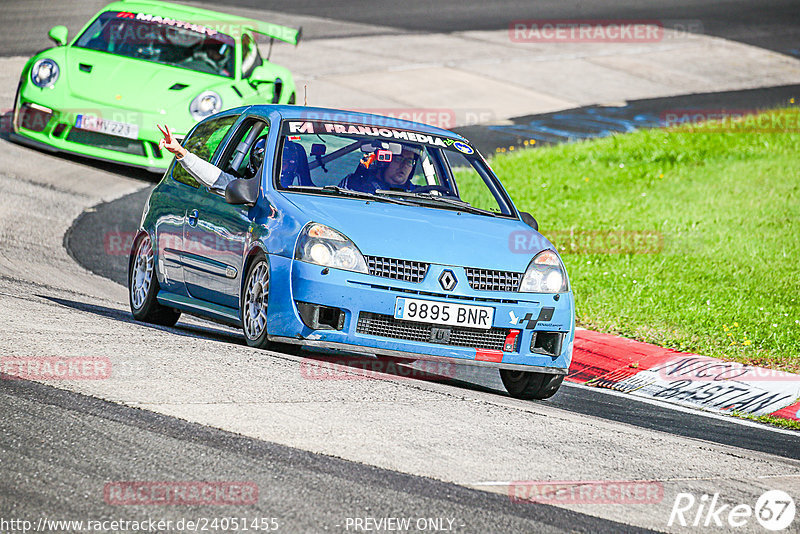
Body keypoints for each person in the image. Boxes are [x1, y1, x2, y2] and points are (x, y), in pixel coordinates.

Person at [157, 124, 265, 191]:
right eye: (282, 162)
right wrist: (180, 151)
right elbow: (217, 178)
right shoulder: (251, 189)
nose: (282, 168)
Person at [339, 145, 419, 193]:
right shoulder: (356, 183)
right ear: (383, 162)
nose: (404, 165)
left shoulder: (420, 194)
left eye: (409, 161)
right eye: (398, 159)